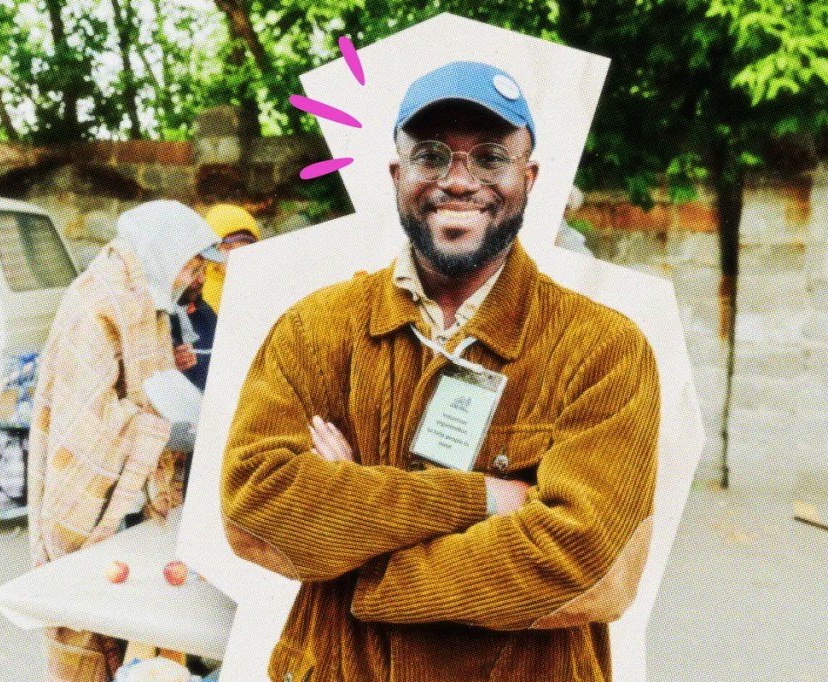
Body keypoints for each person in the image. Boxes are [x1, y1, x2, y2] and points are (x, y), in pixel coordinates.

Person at [221, 61, 660, 682]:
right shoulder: (315, 329)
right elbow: (255, 508)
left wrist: (360, 548)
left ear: (529, 179)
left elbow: (589, 562)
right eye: (431, 156)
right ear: (397, 175)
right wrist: (485, 498)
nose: (459, 180)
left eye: (489, 158)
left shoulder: (604, 350)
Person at [28, 200, 223, 682]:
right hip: (99, 490)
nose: (194, 276)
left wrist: (166, 366)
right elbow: (87, 421)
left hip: (130, 488)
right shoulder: (100, 303)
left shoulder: (146, 296)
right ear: (163, 250)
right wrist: (166, 431)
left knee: (127, 621)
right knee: (89, 623)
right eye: (191, 263)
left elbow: (135, 379)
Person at [200, 203, 261, 315]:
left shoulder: (266, 277)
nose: (238, 254)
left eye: (246, 246)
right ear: (213, 252)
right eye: (228, 248)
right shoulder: (205, 298)